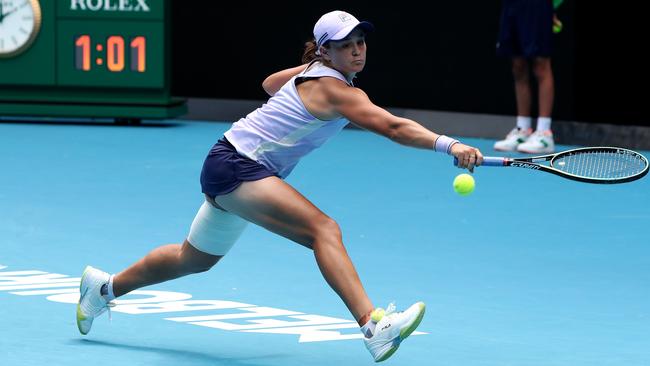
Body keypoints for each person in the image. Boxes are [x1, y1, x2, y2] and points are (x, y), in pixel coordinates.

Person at [76, 10, 484, 363]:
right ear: (325, 50)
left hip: (227, 162)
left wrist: (307, 68)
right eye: (345, 45)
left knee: (194, 260)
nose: (357, 50)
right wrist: (451, 145)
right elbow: (393, 127)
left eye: (360, 42)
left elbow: (271, 84)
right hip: (238, 167)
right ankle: (372, 327)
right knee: (324, 230)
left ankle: (103, 288)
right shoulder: (335, 90)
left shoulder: (314, 73)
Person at [493, 0, 561, 154]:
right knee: (518, 65)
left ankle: (544, 134)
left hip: (538, 5)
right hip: (513, 5)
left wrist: (552, 7)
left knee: (541, 64)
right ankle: (522, 129)